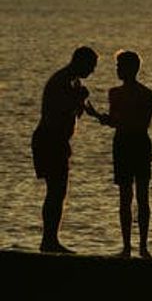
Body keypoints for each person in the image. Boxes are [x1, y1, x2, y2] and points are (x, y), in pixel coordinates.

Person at [32, 46, 99, 253]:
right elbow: (60, 109)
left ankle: (51, 239)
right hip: (49, 139)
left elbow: (82, 111)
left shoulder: (75, 82)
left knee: (59, 191)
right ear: (80, 62)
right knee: (55, 190)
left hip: (59, 141)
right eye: (91, 66)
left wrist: (102, 117)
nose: (93, 71)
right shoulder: (61, 81)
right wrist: (78, 98)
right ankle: (49, 240)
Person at [91, 51, 152, 258]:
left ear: (132, 68)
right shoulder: (114, 93)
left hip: (138, 143)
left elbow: (141, 123)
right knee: (125, 196)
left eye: (120, 65)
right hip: (123, 144)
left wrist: (109, 119)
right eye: (117, 65)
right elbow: (115, 120)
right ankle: (127, 246)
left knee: (142, 196)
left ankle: (143, 246)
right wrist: (99, 116)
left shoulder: (146, 93)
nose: (117, 69)